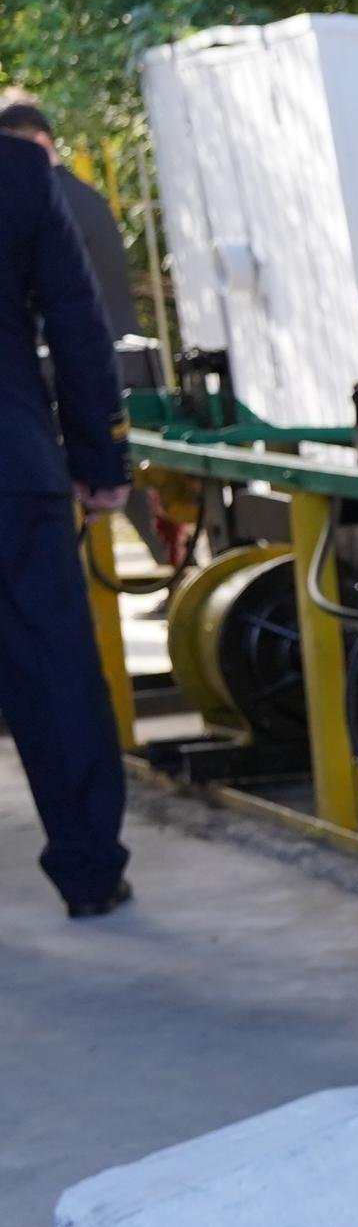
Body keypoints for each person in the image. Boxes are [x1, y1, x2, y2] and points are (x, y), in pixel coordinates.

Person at [0, 128, 134, 918]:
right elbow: (77, 324)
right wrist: (100, 458)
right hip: (12, 469)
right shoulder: (18, 171)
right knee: (52, 671)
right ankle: (88, 874)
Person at [0, 91, 138, 334]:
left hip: (81, 345)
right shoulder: (88, 196)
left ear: (41, 143)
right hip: (117, 343)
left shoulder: (48, 203)